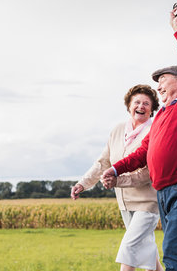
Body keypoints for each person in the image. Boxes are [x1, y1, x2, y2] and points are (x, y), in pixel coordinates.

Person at [102, 7, 177, 271]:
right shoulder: (161, 115)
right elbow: (143, 153)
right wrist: (115, 168)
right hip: (165, 192)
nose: (158, 85)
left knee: (173, 255)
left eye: (163, 79)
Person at [71, 84, 164, 271]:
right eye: (137, 102)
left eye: (147, 103)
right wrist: (83, 183)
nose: (141, 106)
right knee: (148, 252)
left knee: (130, 247)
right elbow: (104, 162)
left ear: (152, 108)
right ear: (129, 106)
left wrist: (117, 180)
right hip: (124, 203)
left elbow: (148, 171)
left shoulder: (155, 131)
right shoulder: (118, 129)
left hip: (148, 203)